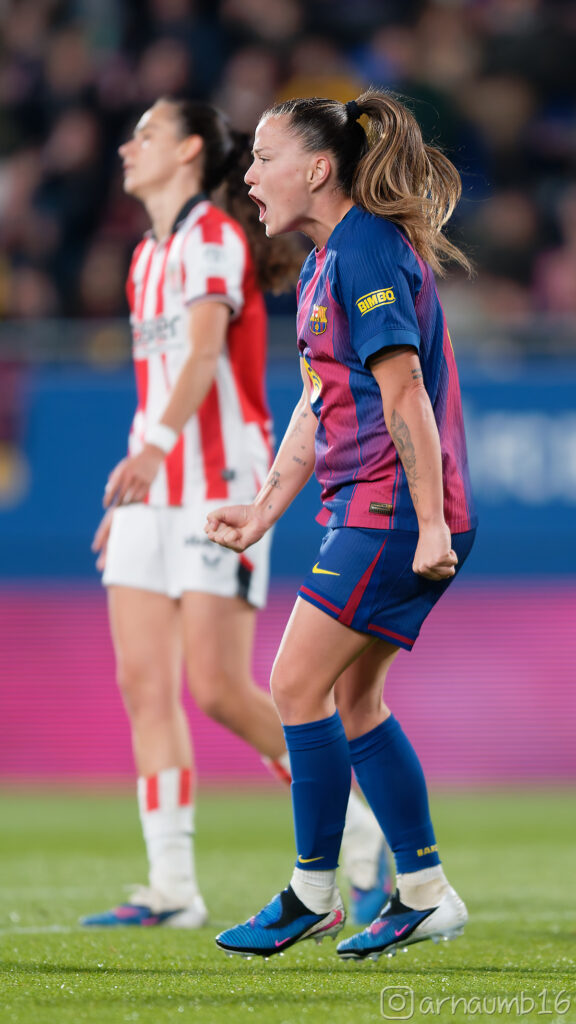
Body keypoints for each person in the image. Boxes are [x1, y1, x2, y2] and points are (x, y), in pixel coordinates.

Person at [82, 96, 391, 929]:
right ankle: (172, 888)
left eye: (141, 133)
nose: (125, 146)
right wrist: (135, 482)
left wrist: (155, 455)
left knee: (218, 688)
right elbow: (160, 383)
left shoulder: (214, 239)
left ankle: (357, 838)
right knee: (143, 684)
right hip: (156, 482)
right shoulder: (147, 256)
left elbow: (209, 350)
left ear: (186, 150)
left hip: (220, 475)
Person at [206, 90, 477, 961]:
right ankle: (425, 893)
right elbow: (319, 403)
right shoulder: (330, 260)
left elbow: (405, 395)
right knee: (354, 701)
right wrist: (262, 509)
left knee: (294, 685)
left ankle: (312, 892)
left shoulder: (360, 252)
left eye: (263, 157)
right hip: (377, 506)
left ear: (317, 169)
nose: (249, 176)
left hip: (394, 509)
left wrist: (431, 523)